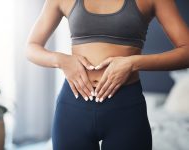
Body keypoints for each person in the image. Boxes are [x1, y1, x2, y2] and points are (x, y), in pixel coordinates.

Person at [25, 0, 189, 149]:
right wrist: (62, 60)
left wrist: (132, 63)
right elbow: (31, 47)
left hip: (125, 108)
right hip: (73, 106)